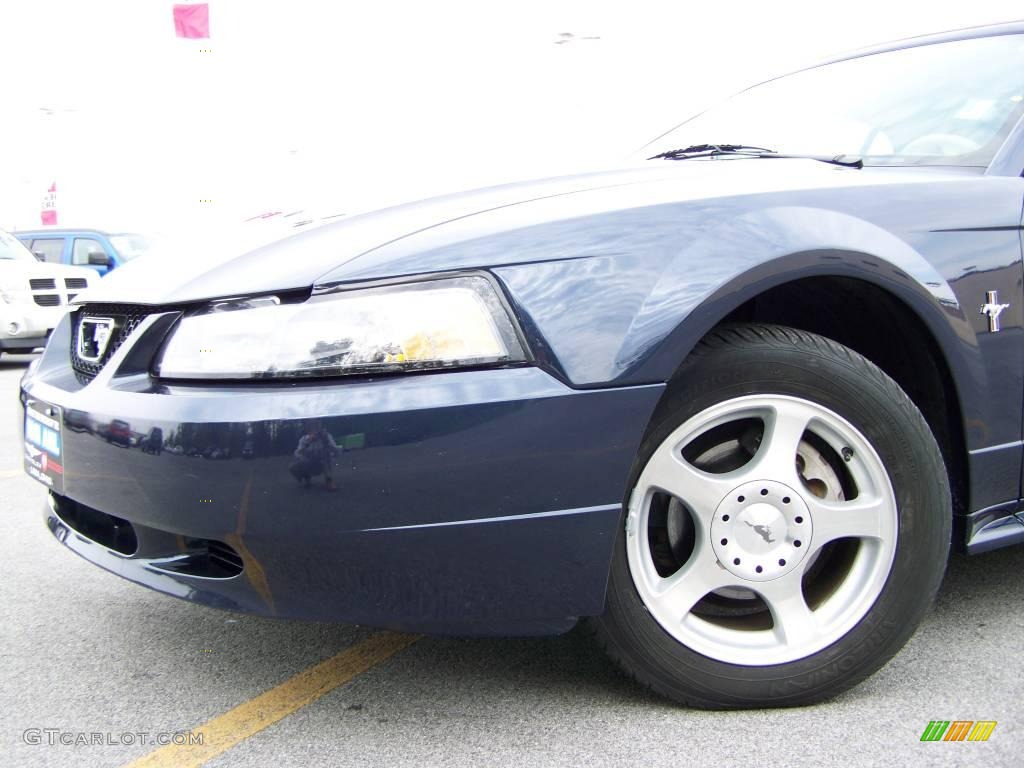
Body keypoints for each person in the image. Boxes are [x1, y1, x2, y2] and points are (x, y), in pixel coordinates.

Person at [289, 420, 340, 490]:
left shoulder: (327, 436)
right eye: (311, 426)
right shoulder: (304, 439)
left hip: (322, 465)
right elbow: (297, 454)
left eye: (316, 425)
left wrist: (326, 442)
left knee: (326, 453)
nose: (314, 428)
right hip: (310, 465)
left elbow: (337, 452)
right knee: (293, 467)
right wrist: (307, 443)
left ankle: (329, 480)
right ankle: (306, 477)